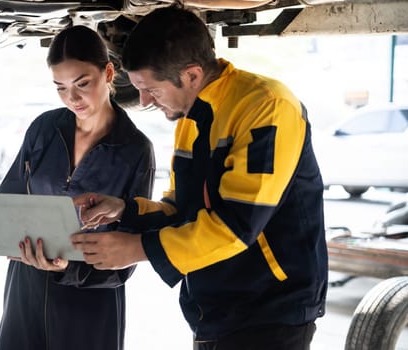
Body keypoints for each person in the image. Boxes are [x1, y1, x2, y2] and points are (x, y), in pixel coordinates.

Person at [72, 4, 328, 350]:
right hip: (216, 311)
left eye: (151, 89)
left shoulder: (267, 107)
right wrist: (124, 210)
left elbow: (236, 226)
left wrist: (137, 248)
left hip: (270, 314)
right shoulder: (191, 118)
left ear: (191, 75)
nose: (144, 101)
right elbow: (181, 210)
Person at [0, 25, 155, 350]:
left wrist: (69, 267)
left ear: (108, 73)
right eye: (61, 88)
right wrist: (7, 237)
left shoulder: (135, 149)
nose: (73, 98)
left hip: (90, 303)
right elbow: (8, 200)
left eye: (83, 84)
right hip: (26, 289)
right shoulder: (44, 128)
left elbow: (131, 251)